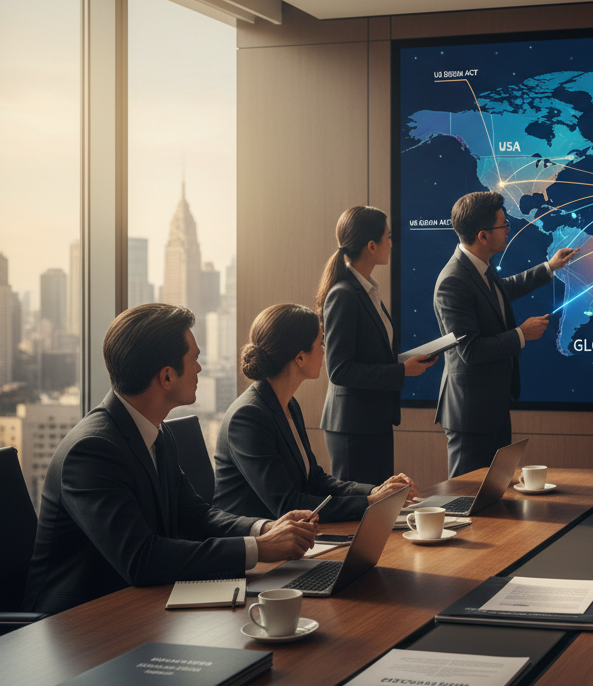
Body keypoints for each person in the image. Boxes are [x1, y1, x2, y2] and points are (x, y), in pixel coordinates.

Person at [23, 304, 318, 615]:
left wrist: (264, 529)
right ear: (166, 376)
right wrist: (259, 549)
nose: (200, 369)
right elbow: (142, 559)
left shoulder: (156, 433)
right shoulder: (92, 451)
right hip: (77, 625)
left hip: (140, 607)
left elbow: (196, 516)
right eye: (194, 361)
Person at [213, 303, 419, 522]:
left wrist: (375, 491)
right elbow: (287, 504)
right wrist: (369, 503)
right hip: (258, 543)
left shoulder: (288, 404)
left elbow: (315, 481)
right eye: (320, 342)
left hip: (294, 534)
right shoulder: (248, 418)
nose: (325, 350)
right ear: (300, 358)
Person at [433, 191, 578, 477]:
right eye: (504, 225)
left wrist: (549, 267)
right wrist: (520, 335)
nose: (509, 229)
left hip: (492, 405)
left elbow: (503, 291)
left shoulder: (479, 267)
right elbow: (470, 351)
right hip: (470, 414)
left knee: (493, 493)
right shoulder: (453, 281)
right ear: (483, 236)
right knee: (467, 496)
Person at [317, 205, 437, 485]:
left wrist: (404, 362)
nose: (392, 243)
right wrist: (400, 371)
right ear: (371, 246)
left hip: (373, 421)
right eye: (388, 236)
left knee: (379, 505)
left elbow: (370, 353)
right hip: (353, 427)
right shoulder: (344, 295)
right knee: (360, 514)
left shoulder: (367, 290)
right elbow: (340, 370)